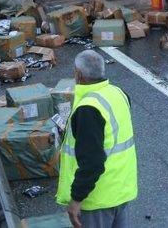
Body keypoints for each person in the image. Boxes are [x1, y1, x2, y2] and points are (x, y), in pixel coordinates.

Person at [56, 50, 137, 228]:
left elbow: (93, 161)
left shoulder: (88, 108)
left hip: (97, 199)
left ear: (78, 75)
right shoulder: (118, 93)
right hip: (120, 191)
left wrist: (76, 199)